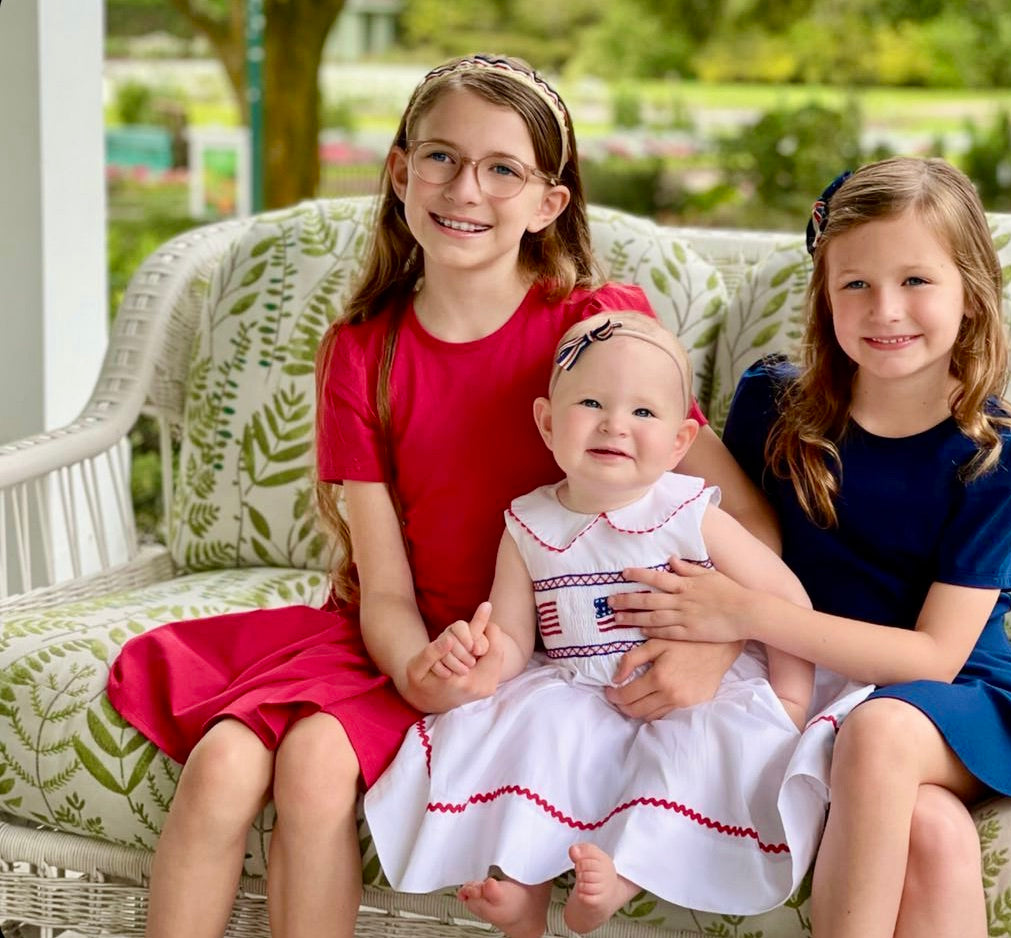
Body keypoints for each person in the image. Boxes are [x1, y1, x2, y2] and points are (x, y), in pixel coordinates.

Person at [105, 55, 772, 938]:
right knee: (222, 766)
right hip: (405, 637)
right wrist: (416, 671)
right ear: (399, 171)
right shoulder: (363, 352)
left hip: (549, 645)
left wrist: (713, 647)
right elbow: (381, 587)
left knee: (310, 766)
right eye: (441, 158)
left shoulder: (594, 326)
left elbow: (740, 520)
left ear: (548, 203)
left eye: (504, 169)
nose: (467, 187)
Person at [608, 157, 1011, 938]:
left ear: (970, 290)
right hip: (811, 678)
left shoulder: (999, 452)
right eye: (856, 284)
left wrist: (746, 612)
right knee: (933, 833)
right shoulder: (771, 407)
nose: (886, 310)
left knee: (877, 732)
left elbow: (932, 659)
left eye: (916, 281)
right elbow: (719, 530)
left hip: (948, 694)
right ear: (824, 296)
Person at [364, 311, 844, 938]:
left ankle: (622, 875)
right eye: (591, 402)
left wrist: (788, 698)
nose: (616, 424)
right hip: (576, 685)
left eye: (644, 413)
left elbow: (781, 597)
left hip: (692, 691)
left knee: (696, 748)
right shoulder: (528, 523)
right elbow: (513, 638)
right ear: (546, 423)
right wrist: (483, 654)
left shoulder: (687, 509)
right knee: (534, 738)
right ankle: (523, 890)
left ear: (678, 443)